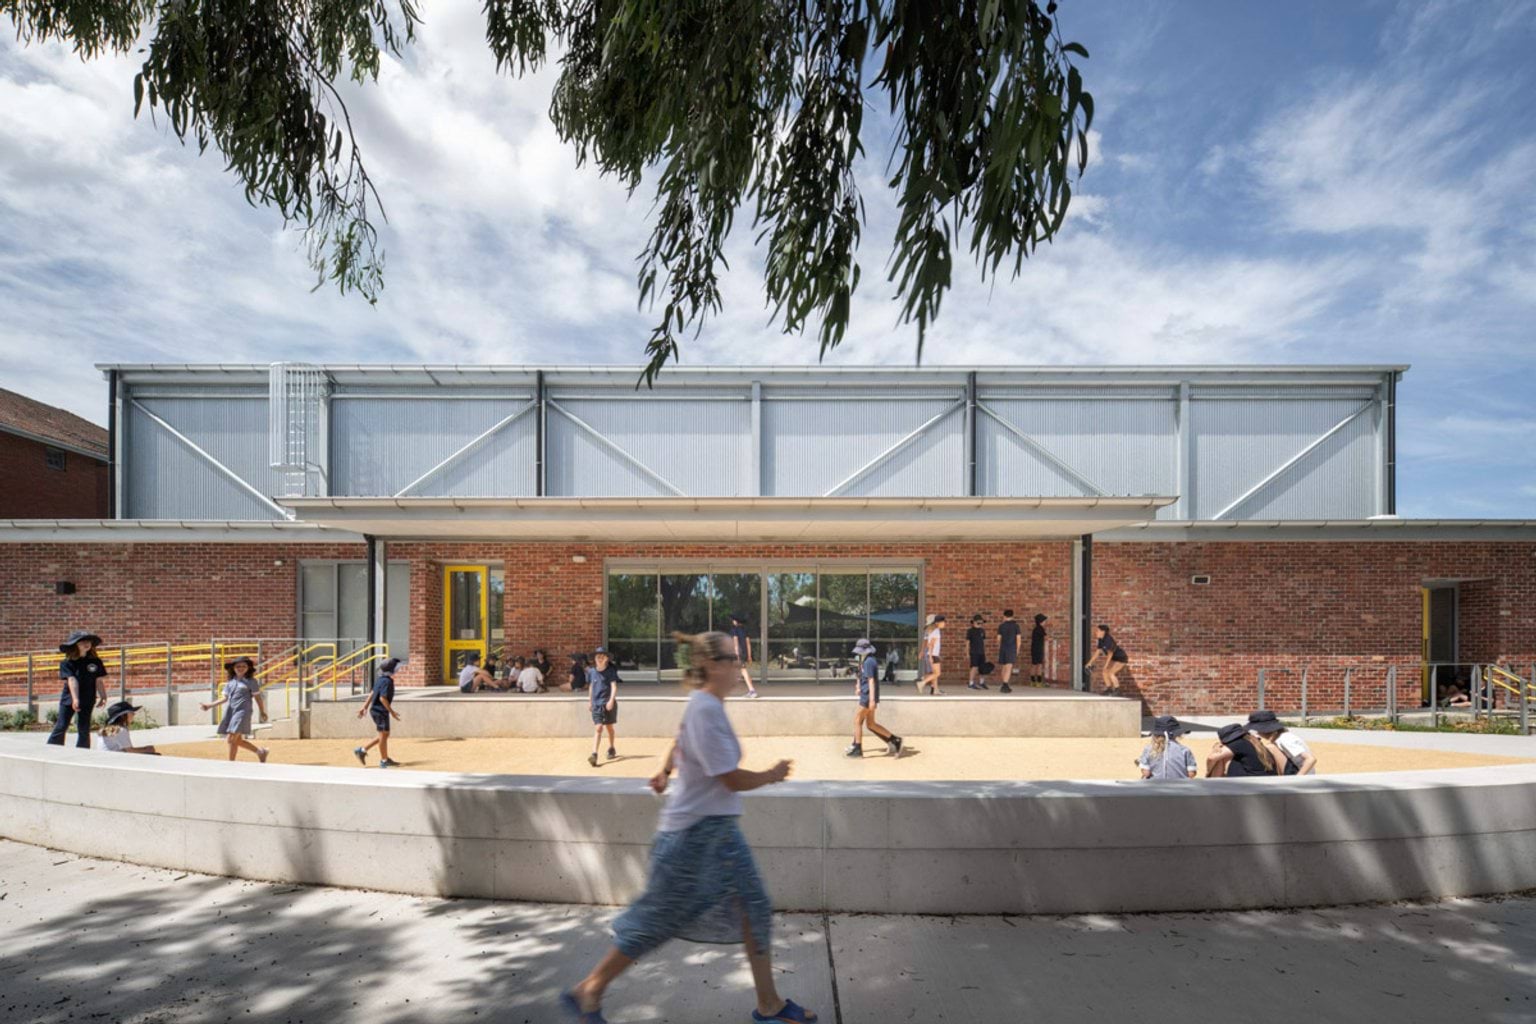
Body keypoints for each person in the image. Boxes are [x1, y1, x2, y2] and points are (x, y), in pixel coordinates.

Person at [561, 630, 815, 1024]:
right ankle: (590, 989)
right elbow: (728, 778)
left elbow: (680, 740)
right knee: (657, 920)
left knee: (753, 910)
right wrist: (771, 774)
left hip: (716, 833)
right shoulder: (706, 710)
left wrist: (664, 769)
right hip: (694, 836)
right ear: (712, 665)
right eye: (732, 659)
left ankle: (770, 1005)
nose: (738, 666)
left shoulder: (706, 704)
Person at [201, 657, 269, 763]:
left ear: (248, 668)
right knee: (237, 740)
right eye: (238, 666)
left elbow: (258, 697)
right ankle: (260, 751)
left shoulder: (252, 681)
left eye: (244, 666)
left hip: (243, 711)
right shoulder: (230, 683)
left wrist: (262, 711)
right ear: (233, 668)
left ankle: (231, 763)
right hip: (231, 711)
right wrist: (209, 705)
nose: (241, 668)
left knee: (231, 738)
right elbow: (224, 699)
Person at [47, 629, 109, 748]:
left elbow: (98, 680)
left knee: (84, 727)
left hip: (88, 697)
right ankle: (52, 749)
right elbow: (72, 680)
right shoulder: (67, 663)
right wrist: (75, 699)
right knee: (62, 725)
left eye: (88, 641)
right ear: (74, 645)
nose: (86, 644)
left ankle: (83, 751)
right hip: (69, 699)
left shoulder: (95, 662)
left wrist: (103, 696)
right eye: (81, 642)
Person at [846, 639, 900, 758]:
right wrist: (858, 685)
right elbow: (861, 676)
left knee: (857, 720)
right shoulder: (865, 660)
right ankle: (895, 740)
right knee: (870, 724)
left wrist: (871, 700)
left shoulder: (869, 662)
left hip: (868, 696)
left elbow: (871, 681)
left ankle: (858, 748)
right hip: (866, 694)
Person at [354, 657, 403, 767]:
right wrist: (392, 712)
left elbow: (372, 692)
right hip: (380, 711)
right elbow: (382, 698)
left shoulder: (381, 679)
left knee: (384, 734)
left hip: (378, 710)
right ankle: (384, 760)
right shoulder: (387, 681)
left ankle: (362, 750)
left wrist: (365, 707)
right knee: (383, 734)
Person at [1247, 710, 1317, 775]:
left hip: (1300, 773)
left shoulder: (1284, 739)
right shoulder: (1281, 737)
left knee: (1270, 748)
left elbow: (1311, 759)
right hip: (1297, 770)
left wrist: (1297, 778)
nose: (1258, 733)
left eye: (1258, 731)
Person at [586, 646, 621, 768]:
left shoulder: (610, 671)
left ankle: (611, 748)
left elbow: (614, 686)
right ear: (594, 659)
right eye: (597, 657)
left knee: (609, 728)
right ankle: (594, 754)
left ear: (606, 658)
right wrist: (590, 701)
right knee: (599, 728)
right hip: (596, 704)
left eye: (602, 657)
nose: (600, 659)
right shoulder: (591, 671)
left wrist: (611, 700)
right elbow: (591, 687)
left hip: (608, 704)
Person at [1206, 722, 1278, 778]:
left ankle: (1213, 784)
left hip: (1250, 784)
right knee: (1223, 757)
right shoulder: (1253, 742)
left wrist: (1208, 772)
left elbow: (1211, 758)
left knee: (1220, 757)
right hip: (1264, 780)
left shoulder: (1239, 743)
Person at [96, 700, 161, 755]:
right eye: (131, 712)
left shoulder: (107, 728)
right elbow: (130, 751)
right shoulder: (121, 730)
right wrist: (147, 749)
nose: (134, 714)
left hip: (104, 759)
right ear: (123, 716)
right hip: (113, 761)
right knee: (153, 755)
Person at [1086, 624, 1129, 694]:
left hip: (1121, 658)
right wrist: (1090, 662)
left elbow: (1110, 654)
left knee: (1111, 673)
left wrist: (1106, 665)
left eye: (1097, 630)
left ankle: (1117, 690)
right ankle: (1109, 689)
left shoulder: (1108, 640)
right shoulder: (1100, 639)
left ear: (1103, 631)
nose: (1096, 632)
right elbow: (1098, 652)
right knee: (1104, 672)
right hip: (1114, 658)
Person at [728, 612, 761, 698]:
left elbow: (735, 643)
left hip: (738, 653)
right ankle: (750, 690)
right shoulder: (745, 630)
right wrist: (749, 656)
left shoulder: (733, 630)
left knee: (743, 671)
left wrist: (737, 655)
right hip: (744, 653)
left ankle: (752, 690)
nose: (732, 621)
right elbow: (748, 643)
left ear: (736, 621)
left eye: (733, 620)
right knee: (739, 671)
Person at [917, 614, 945, 695]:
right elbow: (930, 644)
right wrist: (929, 655)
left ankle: (935, 689)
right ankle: (923, 682)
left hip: (931, 653)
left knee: (934, 672)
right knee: (936, 673)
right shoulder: (935, 631)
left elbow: (928, 643)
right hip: (932, 654)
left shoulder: (931, 630)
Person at [995, 609, 1021, 693]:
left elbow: (998, 639)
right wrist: (1017, 649)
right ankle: (1005, 684)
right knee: (1009, 667)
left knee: (1004, 666)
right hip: (1011, 648)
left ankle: (1004, 683)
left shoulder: (1001, 626)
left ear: (1004, 616)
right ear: (1012, 616)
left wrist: (999, 647)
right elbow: (1018, 639)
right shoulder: (1016, 626)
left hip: (1003, 648)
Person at [965, 614, 991, 691]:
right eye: (978, 622)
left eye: (981, 622)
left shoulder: (982, 630)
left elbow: (983, 641)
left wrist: (984, 650)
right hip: (974, 651)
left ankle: (981, 682)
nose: (980, 624)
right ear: (974, 622)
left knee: (982, 667)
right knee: (974, 667)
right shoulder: (970, 631)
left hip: (981, 652)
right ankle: (970, 683)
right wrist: (967, 652)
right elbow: (967, 642)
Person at [1030, 613, 1048, 685]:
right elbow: (1046, 637)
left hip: (1033, 648)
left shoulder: (1035, 629)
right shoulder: (1040, 629)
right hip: (1038, 649)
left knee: (1034, 664)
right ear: (1041, 621)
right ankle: (1039, 682)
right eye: (1044, 621)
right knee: (1039, 665)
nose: (1045, 622)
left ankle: (1033, 681)